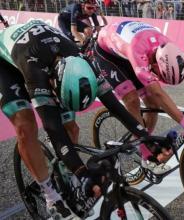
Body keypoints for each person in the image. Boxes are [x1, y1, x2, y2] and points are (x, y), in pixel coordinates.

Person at [0, 18, 160, 219]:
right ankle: (50, 194)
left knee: (72, 128)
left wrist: (145, 136)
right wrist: (82, 172)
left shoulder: (84, 60)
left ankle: (66, 175)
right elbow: (52, 127)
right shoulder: (35, 72)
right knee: (26, 127)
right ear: (52, 82)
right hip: (10, 64)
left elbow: (114, 106)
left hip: (49, 54)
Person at [90, 20, 184, 173]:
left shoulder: (171, 50)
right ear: (154, 66)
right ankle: (145, 151)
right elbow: (158, 92)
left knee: (153, 104)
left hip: (135, 45)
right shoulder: (138, 52)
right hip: (107, 53)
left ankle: (146, 139)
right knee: (132, 99)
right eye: (160, 75)